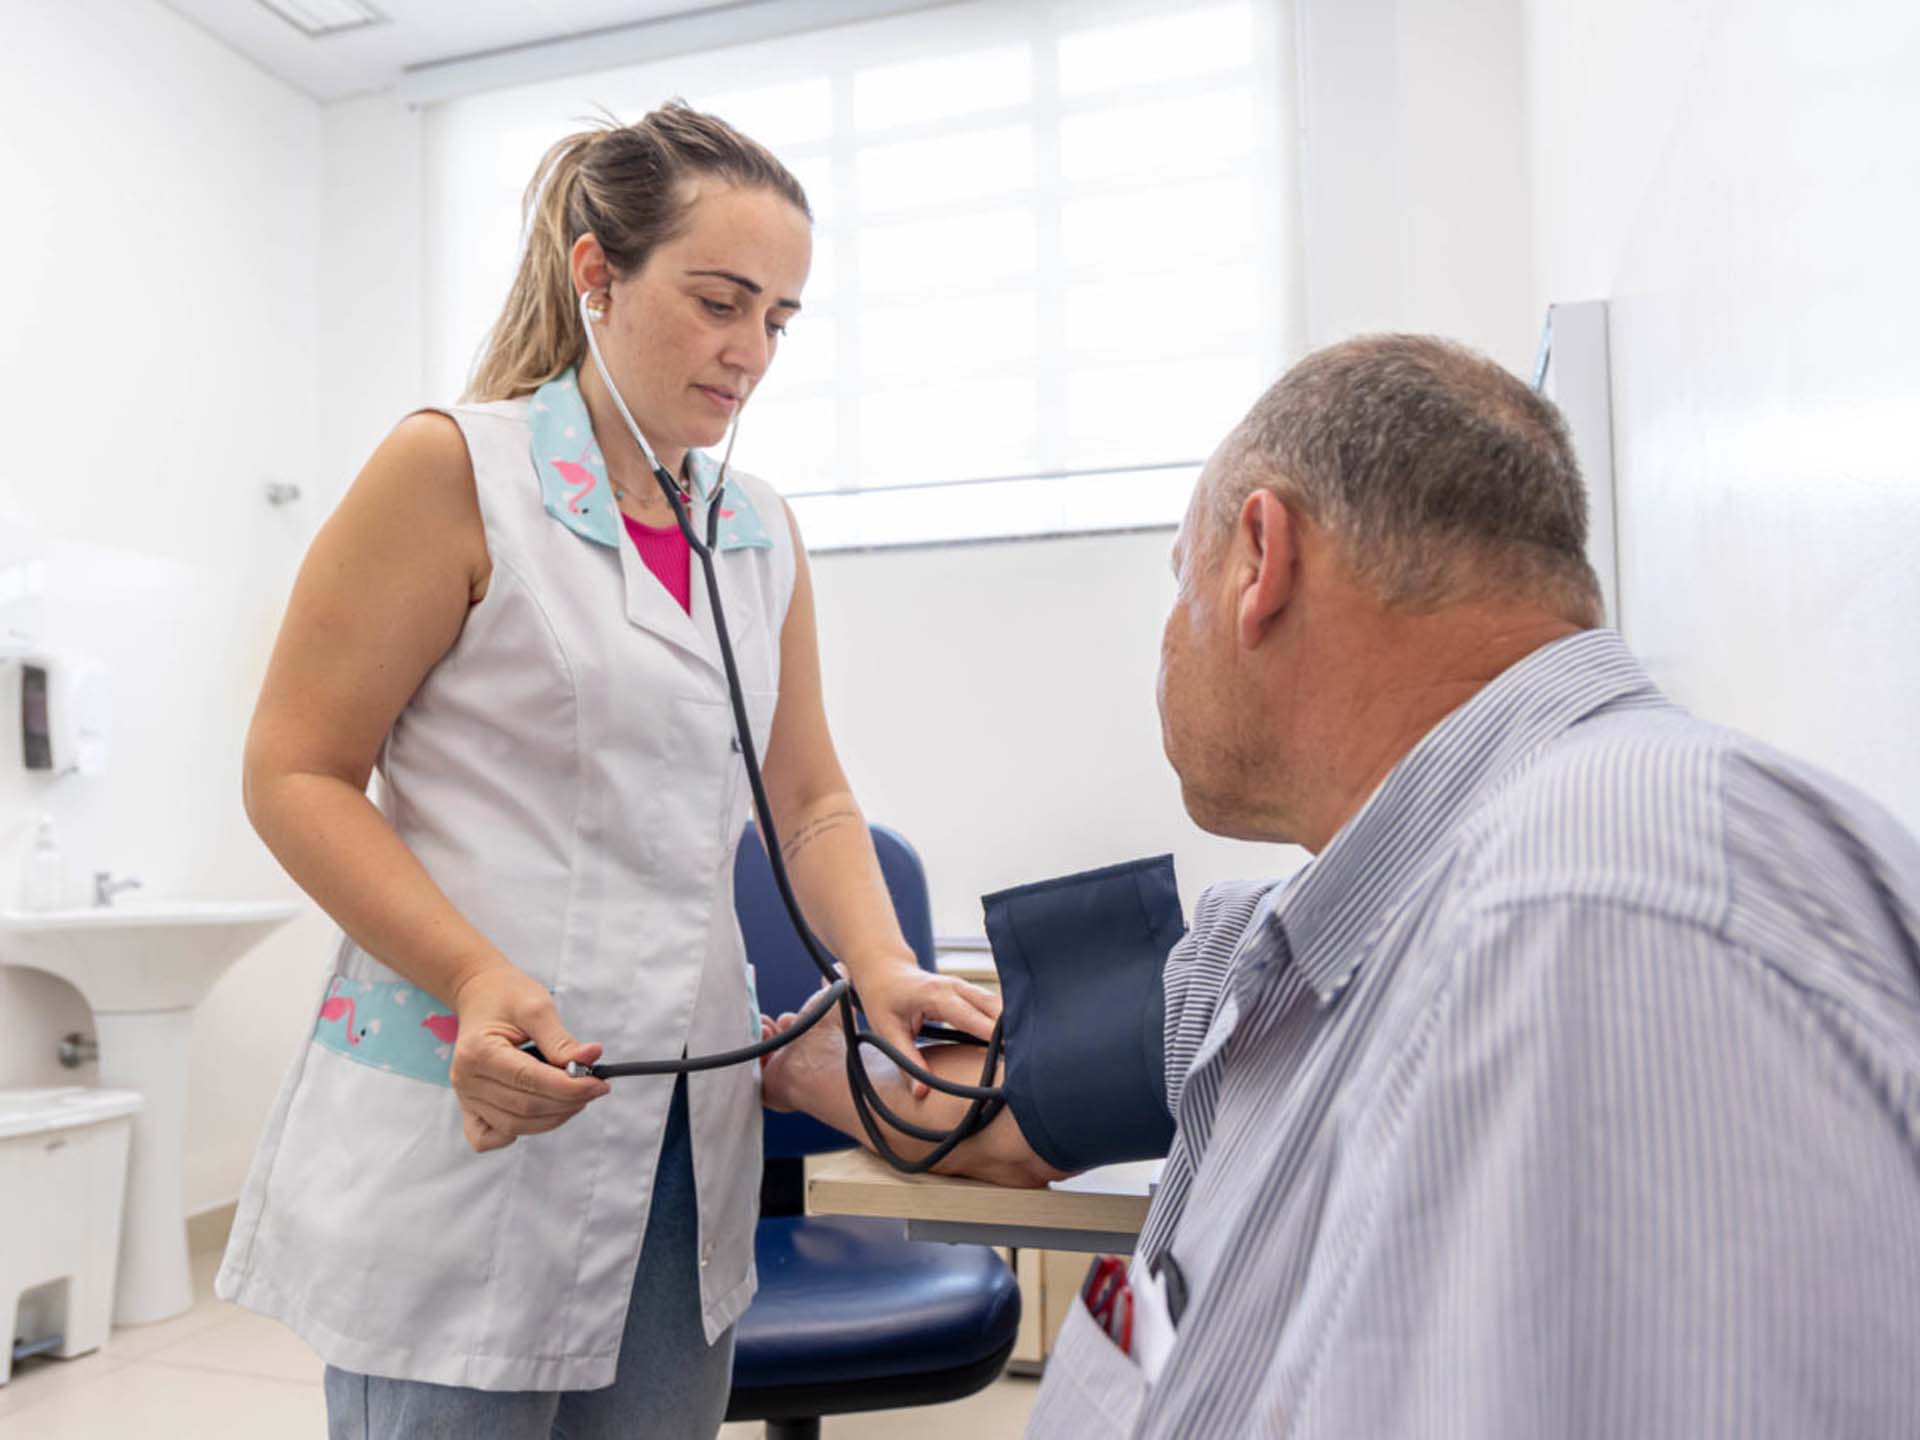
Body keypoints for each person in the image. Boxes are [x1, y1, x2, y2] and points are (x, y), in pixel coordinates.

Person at [763, 335, 1920, 1437]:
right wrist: (786, 1059)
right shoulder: (1326, 934)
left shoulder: (1603, 916)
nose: (1168, 640)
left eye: (1181, 580)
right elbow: (994, 1106)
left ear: (1263, 559)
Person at [215, 102, 1001, 1439]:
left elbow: (808, 796)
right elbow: (294, 771)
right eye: (719, 301)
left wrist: (881, 968)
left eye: (780, 320)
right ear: (598, 276)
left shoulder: (753, 531)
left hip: (681, 1138)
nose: (749, 352)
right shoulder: (454, 471)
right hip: (465, 1134)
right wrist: (472, 977)